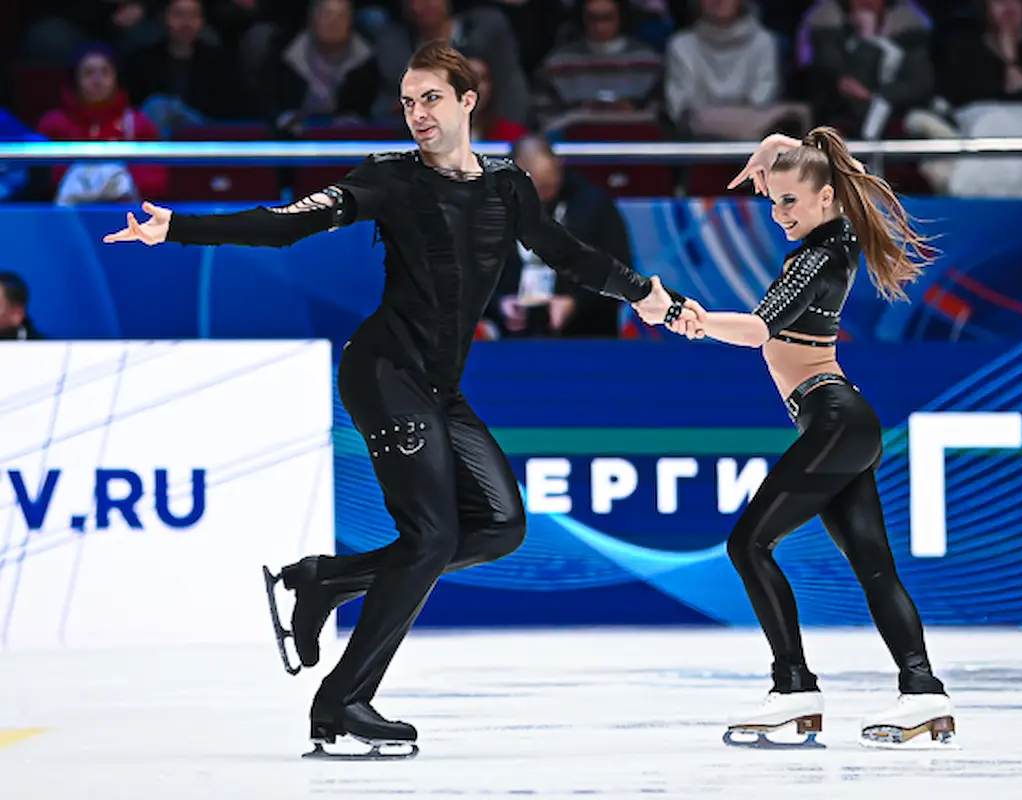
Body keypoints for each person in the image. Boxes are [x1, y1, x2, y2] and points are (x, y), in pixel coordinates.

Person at [102, 39, 700, 759]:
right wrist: (180, 227)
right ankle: (342, 702)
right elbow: (290, 223)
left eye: (431, 99)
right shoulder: (387, 179)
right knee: (431, 536)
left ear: (468, 101)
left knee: (501, 527)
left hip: (439, 385)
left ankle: (324, 582)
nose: (416, 113)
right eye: (408, 102)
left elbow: (567, 254)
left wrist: (647, 295)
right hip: (383, 371)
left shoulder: (509, 185)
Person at [638, 126, 955, 750]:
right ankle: (924, 695)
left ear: (827, 198)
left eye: (790, 201)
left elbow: (759, 330)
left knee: (748, 544)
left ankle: (794, 693)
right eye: (774, 201)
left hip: (835, 419)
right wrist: (779, 143)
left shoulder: (815, 256)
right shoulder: (836, 236)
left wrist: (685, 317)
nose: (779, 213)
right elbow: (835, 162)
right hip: (844, 421)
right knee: (874, 570)